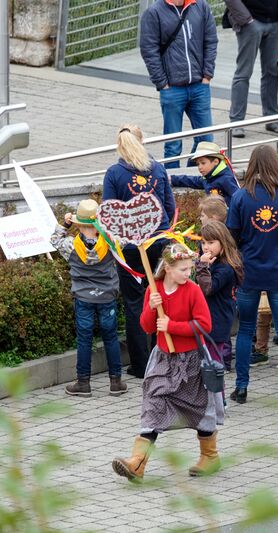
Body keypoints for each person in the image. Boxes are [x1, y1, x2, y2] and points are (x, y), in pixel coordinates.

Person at [112, 243, 220, 482]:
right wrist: (151, 308)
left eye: (189, 268)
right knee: (154, 404)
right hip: (163, 360)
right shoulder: (154, 289)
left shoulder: (192, 290)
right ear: (168, 269)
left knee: (199, 408)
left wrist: (172, 326)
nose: (187, 273)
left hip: (192, 360)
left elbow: (205, 325)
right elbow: (147, 327)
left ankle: (210, 456)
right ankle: (137, 464)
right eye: (183, 269)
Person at [226, 145, 278, 407]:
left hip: (249, 273)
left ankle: (241, 388)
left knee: (246, 330)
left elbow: (231, 239)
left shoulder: (240, 197)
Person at [103, 125, 176, 378]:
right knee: (163, 296)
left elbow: (108, 211)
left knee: (135, 303)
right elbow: (169, 205)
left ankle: (140, 363)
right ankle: (165, 354)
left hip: (131, 246)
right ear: (142, 141)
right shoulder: (158, 169)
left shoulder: (114, 173)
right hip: (160, 239)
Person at [51, 199, 126, 398]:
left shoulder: (70, 245)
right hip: (107, 296)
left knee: (84, 339)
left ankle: (83, 383)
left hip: (83, 297)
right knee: (110, 337)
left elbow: (55, 240)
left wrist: (65, 224)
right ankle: (116, 382)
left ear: (78, 224)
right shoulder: (110, 243)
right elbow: (125, 238)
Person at [139, 0, 217, 169]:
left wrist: (207, 76)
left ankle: (192, 175)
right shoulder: (154, 13)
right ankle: (172, 184)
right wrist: (162, 83)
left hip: (199, 86)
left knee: (206, 142)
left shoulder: (200, 6)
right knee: (173, 146)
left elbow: (211, 41)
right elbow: (148, 50)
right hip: (172, 89)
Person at [225, 0, 278, 138]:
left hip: (276, 22)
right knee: (243, 73)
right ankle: (236, 122)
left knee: (272, 72)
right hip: (250, 22)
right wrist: (247, 20)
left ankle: (271, 119)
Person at [195, 221, 242, 372]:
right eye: (203, 242)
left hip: (218, 321)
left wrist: (201, 267)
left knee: (213, 366)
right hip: (210, 318)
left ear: (223, 242)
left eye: (211, 242)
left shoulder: (225, 268)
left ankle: (217, 395)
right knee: (206, 362)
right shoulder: (214, 263)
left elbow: (208, 288)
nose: (206, 247)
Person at [170, 141, 240, 201]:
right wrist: (173, 179)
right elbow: (192, 180)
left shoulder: (226, 179)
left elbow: (238, 199)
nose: (200, 167)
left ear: (215, 162)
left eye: (203, 163)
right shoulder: (208, 178)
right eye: (198, 164)